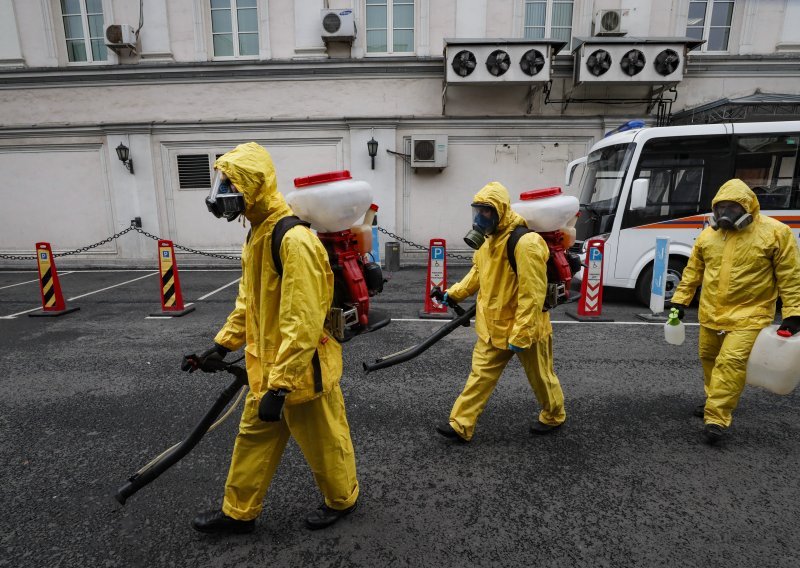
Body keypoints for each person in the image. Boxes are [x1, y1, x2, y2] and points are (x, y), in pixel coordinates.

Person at [189, 142, 359, 534]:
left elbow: (303, 320)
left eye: (230, 184)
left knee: (325, 443)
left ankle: (342, 500)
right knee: (251, 440)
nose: (222, 194)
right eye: (221, 183)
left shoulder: (292, 239)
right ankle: (238, 512)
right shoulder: (258, 233)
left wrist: (280, 387)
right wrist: (221, 345)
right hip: (268, 369)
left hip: (302, 373)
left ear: (255, 186)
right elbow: (250, 302)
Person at [433, 181, 567, 443]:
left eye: (486, 212)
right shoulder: (488, 242)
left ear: (501, 211)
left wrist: (522, 333)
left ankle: (554, 414)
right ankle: (461, 424)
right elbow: (476, 275)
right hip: (493, 327)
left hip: (524, 328)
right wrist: (453, 293)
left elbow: (533, 294)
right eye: (477, 211)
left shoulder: (525, 242)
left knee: (541, 377)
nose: (480, 218)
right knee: (479, 376)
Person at [670, 178, 800, 445]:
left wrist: (794, 313)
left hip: (750, 316)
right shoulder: (709, 236)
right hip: (711, 314)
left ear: (747, 209)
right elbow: (693, 272)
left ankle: (716, 417)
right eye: (721, 208)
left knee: (730, 363)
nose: (725, 214)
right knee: (710, 359)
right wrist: (679, 302)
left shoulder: (776, 233)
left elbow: (790, 276)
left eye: (732, 207)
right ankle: (714, 398)